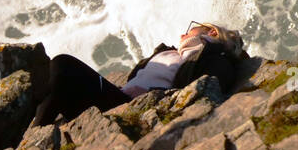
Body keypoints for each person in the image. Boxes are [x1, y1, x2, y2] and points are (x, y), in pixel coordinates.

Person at [32, 22, 246, 126]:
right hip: (118, 97)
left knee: (62, 64)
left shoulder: (217, 59)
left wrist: (154, 99)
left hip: (133, 105)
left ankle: (37, 133)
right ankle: (37, 128)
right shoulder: (170, 52)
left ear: (211, 32)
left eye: (191, 28)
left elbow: (207, 89)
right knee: (50, 76)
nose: (183, 33)